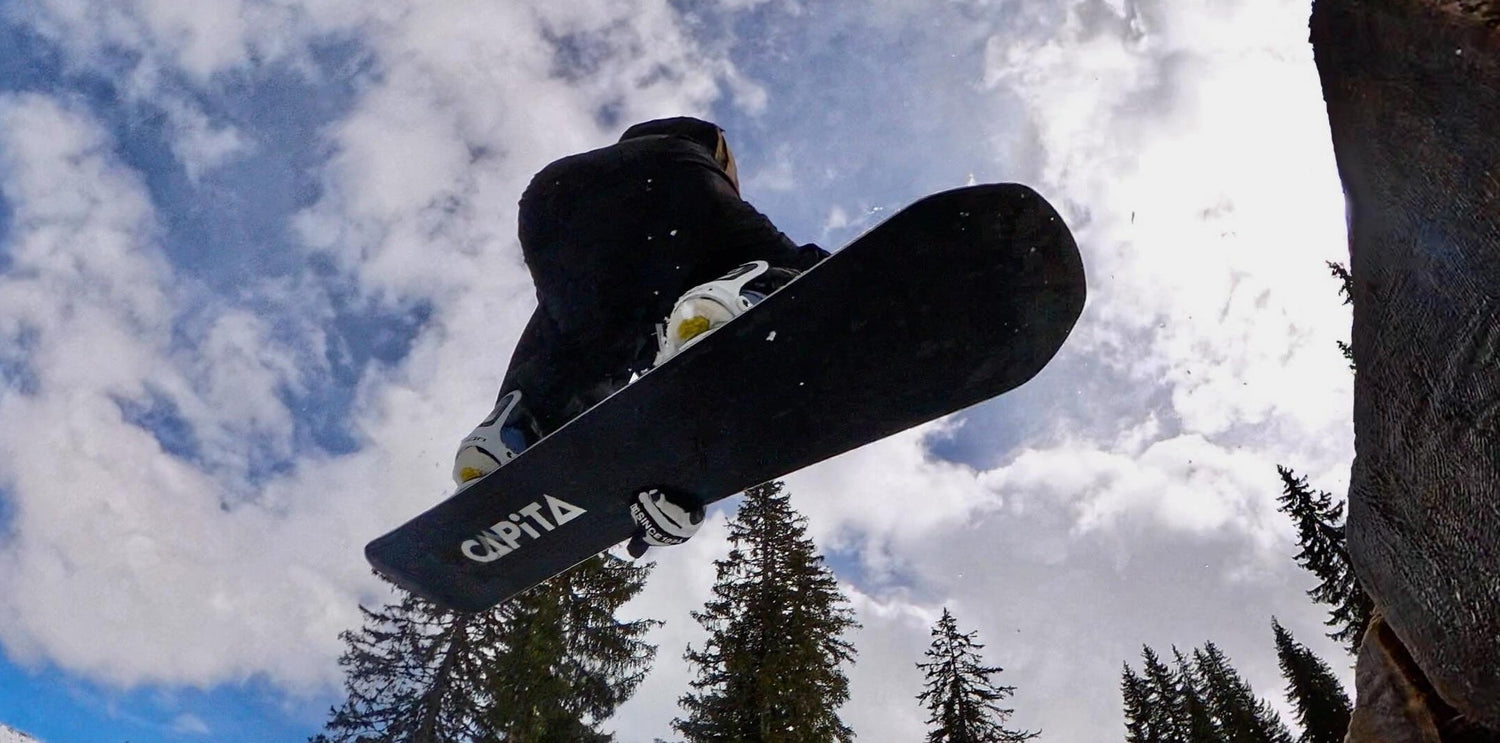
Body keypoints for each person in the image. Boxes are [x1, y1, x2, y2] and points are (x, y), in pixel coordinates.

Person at [452, 117, 827, 556]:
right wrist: (686, 474)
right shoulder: (700, 146)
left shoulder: (629, 281)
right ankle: (749, 296)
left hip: (550, 202)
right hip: (669, 178)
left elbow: (654, 402)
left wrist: (658, 475)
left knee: (586, 349)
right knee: (789, 274)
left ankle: (514, 436)